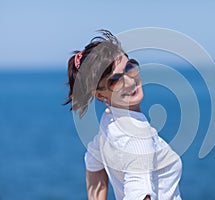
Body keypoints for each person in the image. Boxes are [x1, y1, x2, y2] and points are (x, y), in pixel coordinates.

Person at [65, 29, 182, 200]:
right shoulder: (138, 138)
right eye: (115, 80)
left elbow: (94, 163)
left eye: (129, 67)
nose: (129, 81)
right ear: (100, 94)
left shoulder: (109, 123)